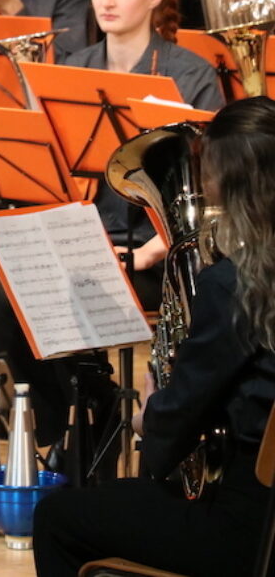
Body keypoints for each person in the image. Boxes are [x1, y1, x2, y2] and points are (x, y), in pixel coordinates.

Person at [0, 0, 223, 457]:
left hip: (160, 255)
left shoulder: (190, 74)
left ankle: (90, 419)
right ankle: (85, 412)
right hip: (86, 241)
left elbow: (210, 190)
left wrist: (149, 251)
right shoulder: (73, 68)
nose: (106, 1)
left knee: (69, 294)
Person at [33, 95, 275, 576]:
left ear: (227, 183)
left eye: (206, 170)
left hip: (251, 529)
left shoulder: (233, 286)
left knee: (57, 517)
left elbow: (181, 416)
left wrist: (151, 416)